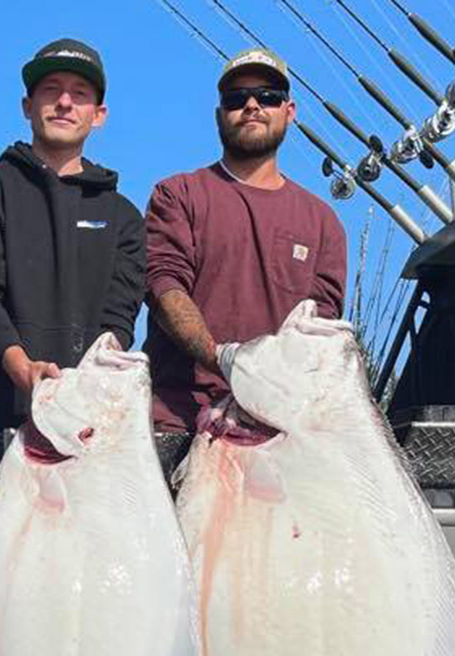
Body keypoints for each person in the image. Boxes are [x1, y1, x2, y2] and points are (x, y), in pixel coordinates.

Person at [0, 38, 146, 431]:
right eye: (51, 90)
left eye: (79, 93)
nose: (64, 102)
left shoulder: (124, 217)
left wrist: (84, 386)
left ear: (99, 114)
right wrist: (20, 366)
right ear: (27, 106)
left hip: (87, 423)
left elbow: (120, 317)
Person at [144, 47, 347, 433]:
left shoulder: (324, 222)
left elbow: (319, 331)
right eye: (236, 99)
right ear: (220, 114)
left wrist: (263, 391)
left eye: (268, 97)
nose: (252, 105)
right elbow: (164, 286)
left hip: (278, 427)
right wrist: (222, 358)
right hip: (180, 421)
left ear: (290, 111)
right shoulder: (177, 195)